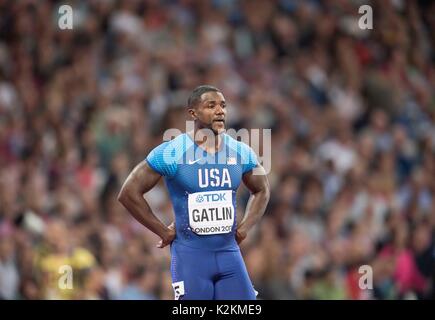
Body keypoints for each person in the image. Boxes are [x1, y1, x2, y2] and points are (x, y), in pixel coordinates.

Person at [118, 85, 270, 300]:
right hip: (191, 257)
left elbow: (262, 189)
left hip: (229, 254)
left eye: (223, 106)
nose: (220, 111)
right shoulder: (173, 151)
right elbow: (128, 192)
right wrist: (163, 231)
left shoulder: (240, 151)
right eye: (211, 105)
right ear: (193, 113)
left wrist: (245, 228)